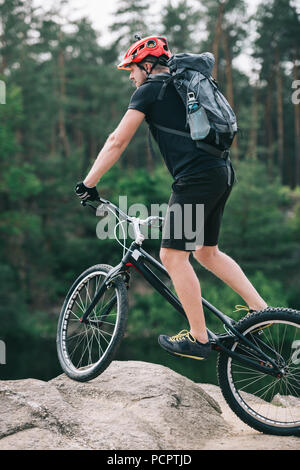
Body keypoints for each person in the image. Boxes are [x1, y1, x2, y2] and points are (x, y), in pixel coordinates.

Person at [75, 35, 268, 361]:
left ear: (147, 66)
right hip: (220, 172)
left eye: (132, 69)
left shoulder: (150, 90)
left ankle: (199, 338)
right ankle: (262, 312)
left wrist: (89, 183)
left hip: (194, 179)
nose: (130, 76)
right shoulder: (182, 88)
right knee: (207, 252)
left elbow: (116, 141)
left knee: (173, 256)